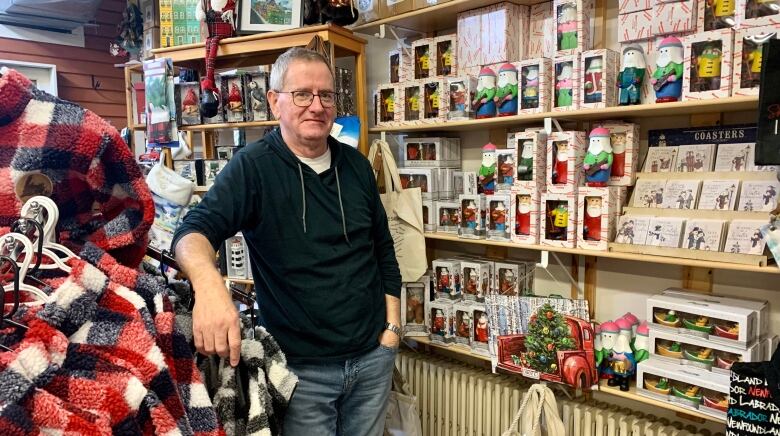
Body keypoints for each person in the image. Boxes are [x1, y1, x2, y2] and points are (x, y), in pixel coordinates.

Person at [172, 47, 402, 436]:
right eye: (302, 94)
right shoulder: (253, 167)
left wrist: (391, 332)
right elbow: (192, 232)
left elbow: (383, 251)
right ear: (274, 101)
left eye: (326, 95)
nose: (316, 106)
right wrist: (210, 287)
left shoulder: (357, 165)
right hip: (301, 373)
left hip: (371, 362)